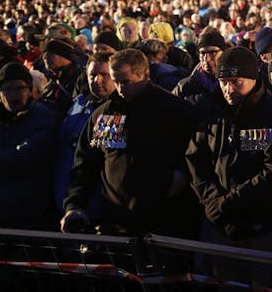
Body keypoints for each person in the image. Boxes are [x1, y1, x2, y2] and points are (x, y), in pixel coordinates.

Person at [185, 46, 272, 289]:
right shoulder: (209, 108)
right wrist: (211, 201)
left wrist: (228, 203)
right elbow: (196, 159)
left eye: (235, 82)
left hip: (263, 228)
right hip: (220, 226)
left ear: (253, 78)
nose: (228, 89)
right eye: (223, 81)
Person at [61, 49, 197, 237]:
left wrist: (176, 181)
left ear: (145, 75)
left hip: (165, 222)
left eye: (126, 82)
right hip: (115, 222)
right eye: (115, 81)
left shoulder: (175, 111)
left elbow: (194, 158)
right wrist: (74, 204)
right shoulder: (104, 114)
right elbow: (86, 163)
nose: (120, 89)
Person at [54, 53, 115, 217]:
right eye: (92, 75)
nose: (97, 81)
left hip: (91, 203)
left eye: (105, 75)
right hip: (64, 192)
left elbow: (100, 161)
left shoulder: (113, 112)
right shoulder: (79, 103)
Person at [0, 62, 59, 229]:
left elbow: (22, 158)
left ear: (30, 90)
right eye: (7, 89)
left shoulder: (45, 117)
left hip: (30, 215)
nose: (13, 94)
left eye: (19, 88)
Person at [173, 27, 227, 104]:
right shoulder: (184, 87)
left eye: (213, 52)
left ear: (223, 53)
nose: (207, 59)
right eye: (202, 53)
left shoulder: (235, 85)